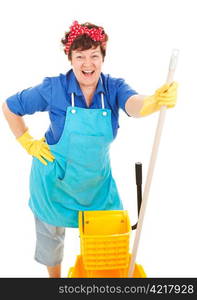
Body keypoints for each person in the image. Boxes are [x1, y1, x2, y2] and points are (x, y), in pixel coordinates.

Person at [2, 20, 178, 278]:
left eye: (94, 55)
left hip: (96, 183)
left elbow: (133, 104)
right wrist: (26, 140)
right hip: (54, 183)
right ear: (70, 58)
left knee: (108, 241)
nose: (87, 64)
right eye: (80, 56)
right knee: (52, 243)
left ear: (103, 57)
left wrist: (152, 101)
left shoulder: (114, 87)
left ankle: (98, 278)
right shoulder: (54, 88)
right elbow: (9, 107)